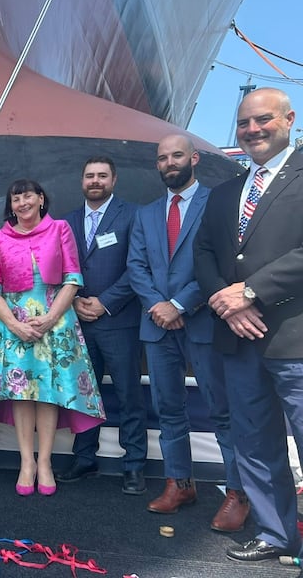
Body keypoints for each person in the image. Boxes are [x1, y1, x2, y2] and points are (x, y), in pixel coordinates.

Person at [194, 87, 303, 562]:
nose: (252, 130)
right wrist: (228, 303)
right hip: (238, 341)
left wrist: (251, 292)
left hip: (294, 337)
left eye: (262, 120)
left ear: (289, 119)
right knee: (255, 443)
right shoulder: (224, 193)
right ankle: (277, 534)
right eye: (244, 123)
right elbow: (204, 253)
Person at [127, 134, 247, 531]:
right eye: (162, 158)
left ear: (193, 158)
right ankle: (180, 483)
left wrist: (179, 304)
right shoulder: (145, 215)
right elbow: (136, 267)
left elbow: (220, 262)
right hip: (156, 326)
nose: (169, 163)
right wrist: (159, 307)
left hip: (203, 321)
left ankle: (237, 492)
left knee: (221, 411)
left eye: (176, 155)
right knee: (168, 410)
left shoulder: (217, 203)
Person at [0, 179, 106, 497]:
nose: (22, 202)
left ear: (41, 199)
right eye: (15, 197)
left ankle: (44, 462)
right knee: (22, 393)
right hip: (12, 322)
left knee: (48, 393)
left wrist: (48, 319)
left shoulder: (59, 229)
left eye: (28, 195)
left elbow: (73, 279)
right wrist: (15, 325)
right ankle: (26, 463)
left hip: (54, 320)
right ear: (11, 205)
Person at [59, 156, 147, 495]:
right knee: (84, 394)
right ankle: (84, 458)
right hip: (79, 319)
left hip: (119, 320)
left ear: (114, 179)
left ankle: (134, 464)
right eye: (89, 176)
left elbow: (138, 267)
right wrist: (77, 299)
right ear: (82, 181)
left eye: (102, 176)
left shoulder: (133, 215)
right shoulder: (67, 221)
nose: (95, 181)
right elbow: (62, 266)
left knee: (128, 394)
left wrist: (106, 302)